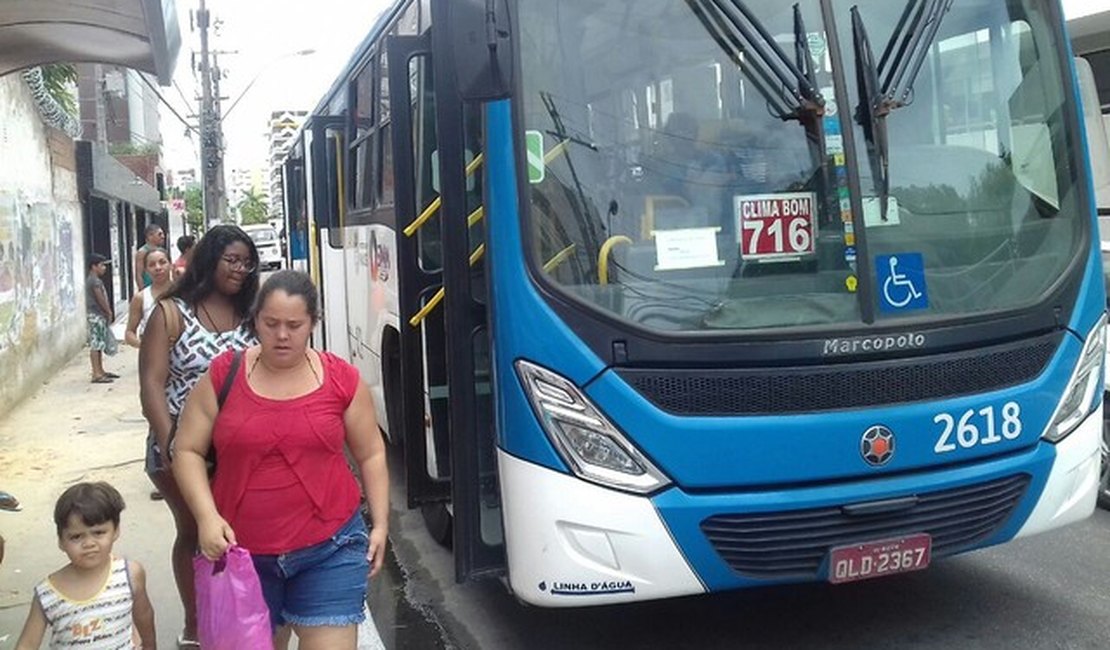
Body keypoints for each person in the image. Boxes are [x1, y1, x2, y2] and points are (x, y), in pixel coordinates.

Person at [173, 270, 390, 650]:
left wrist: (381, 525)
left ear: (312, 324)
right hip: (241, 556)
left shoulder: (342, 380)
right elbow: (187, 450)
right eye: (271, 323)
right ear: (255, 319)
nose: (282, 335)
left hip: (330, 549)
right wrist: (206, 518)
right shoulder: (225, 373)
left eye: (294, 325)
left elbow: (370, 453)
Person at [139, 225, 259, 648]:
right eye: (232, 260)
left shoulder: (251, 311)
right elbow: (151, 384)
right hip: (179, 445)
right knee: (193, 530)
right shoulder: (171, 312)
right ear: (209, 260)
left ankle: (233, 614)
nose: (241, 269)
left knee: (236, 531)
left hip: (238, 448)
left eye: (247, 262)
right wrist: (172, 444)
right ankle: (195, 626)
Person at [14, 482, 155, 650]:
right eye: (76, 537)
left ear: (116, 530)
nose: (89, 543)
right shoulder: (48, 595)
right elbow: (27, 644)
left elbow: (144, 617)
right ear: (61, 541)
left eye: (99, 532)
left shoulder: (130, 575)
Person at [125, 247, 173, 348]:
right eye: (152, 265)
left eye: (162, 262)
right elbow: (129, 333)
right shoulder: (141, 298)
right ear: (146, 270)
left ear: (171, 265)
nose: (158, 268)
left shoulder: (185, 293)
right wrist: (146, 348)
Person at [85, 253, 119, 384]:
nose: (104, 268)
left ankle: (100, 370)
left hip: (95, 315)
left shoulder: (92, 280)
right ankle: (96, 373)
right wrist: (108, 311)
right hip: (96, 315)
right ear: (94, 267)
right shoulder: (95, 281)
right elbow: (101, 299)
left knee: (99, 343)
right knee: (96, 344)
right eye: (102, 265)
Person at [135, 223, 166, 292]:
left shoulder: (162, 251)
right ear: (150, 236)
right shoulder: (142, 252)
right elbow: (139, 274)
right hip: (149, 288)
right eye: (159, 234)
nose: (163, 236)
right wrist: (142, 292)